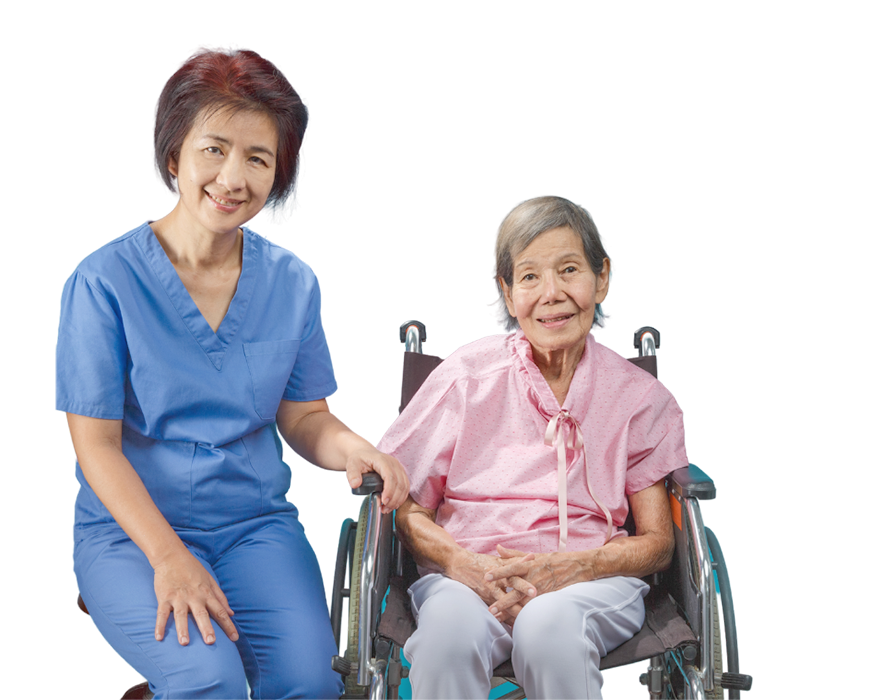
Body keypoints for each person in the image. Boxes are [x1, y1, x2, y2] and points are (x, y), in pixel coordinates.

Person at [56, 45, 408, 700]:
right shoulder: (103, 282)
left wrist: (355, 448)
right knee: (208, 679)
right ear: (174, 156)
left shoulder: (291, 283)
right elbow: (95, 446)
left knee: (309, 685)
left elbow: (305, 416)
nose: (232, 177)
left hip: (254, 528)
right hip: (132, 535)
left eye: (257, 158)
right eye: (214, 150)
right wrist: (170, 558)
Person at [377, 195, 686, 700]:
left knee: (549, 629)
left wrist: (578, 565)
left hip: (590, 581)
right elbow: (407, 510)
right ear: (507, 292)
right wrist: (463, 564)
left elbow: (658, 542)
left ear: (602, 278)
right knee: (445, 641)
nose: (552, 294)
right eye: (529, 277)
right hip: (467, 576)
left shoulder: (639, 398)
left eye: (569, 270)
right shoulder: (465, 378)